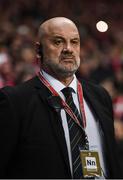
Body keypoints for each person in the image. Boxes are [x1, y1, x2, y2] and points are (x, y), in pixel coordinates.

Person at [0, 17, 121, 179]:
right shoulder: (15, 101)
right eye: (58, 42)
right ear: (38, 50)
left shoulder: (100, 96)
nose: (68, 49)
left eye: (75, 42)